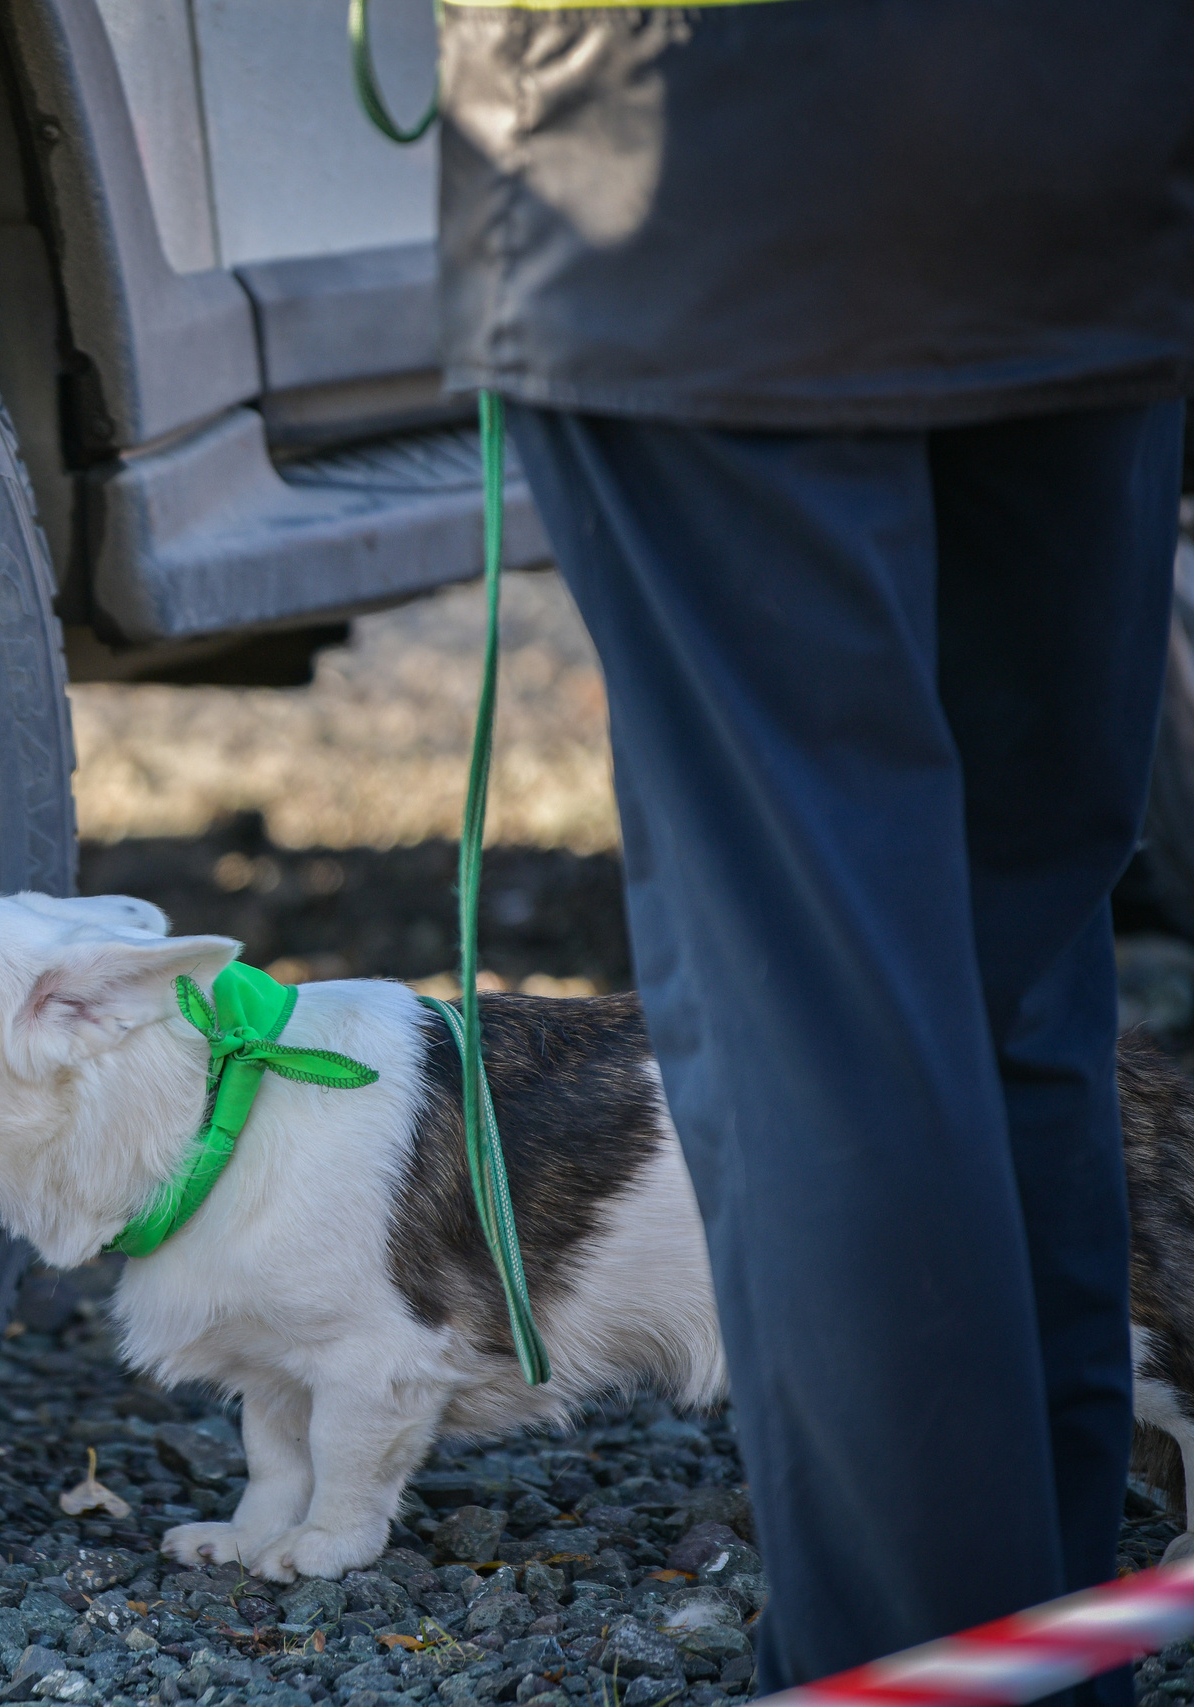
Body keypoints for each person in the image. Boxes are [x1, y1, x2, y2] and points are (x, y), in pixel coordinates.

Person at [429, 4, 1194, 1699]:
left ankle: (920, 1669)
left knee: (809, 988)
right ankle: (1041, 1654)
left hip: (692, 165)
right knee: (1017, 953)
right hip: (1089, 159)